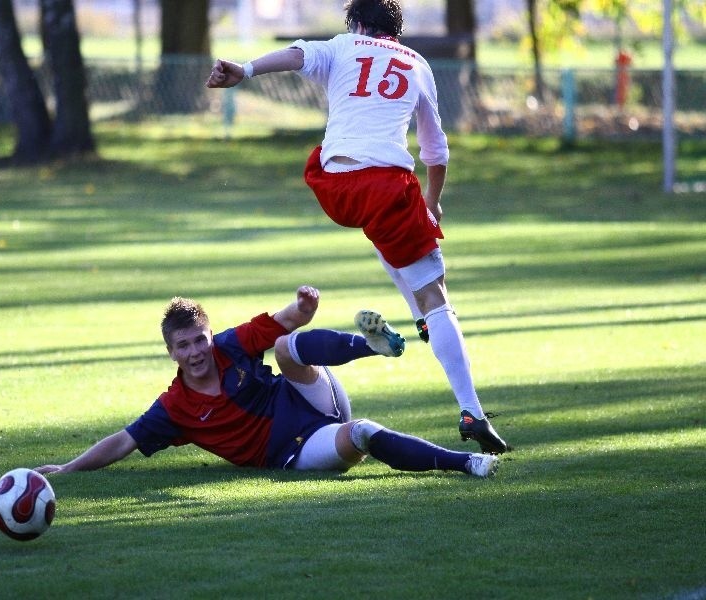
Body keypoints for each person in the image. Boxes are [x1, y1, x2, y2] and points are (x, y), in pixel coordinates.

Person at [204, 0, 509, 453]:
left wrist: (244, 70)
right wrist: (432, 203)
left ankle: (424, 322)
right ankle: (472, 413)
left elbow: (296, 55)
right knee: (435, 292)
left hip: (333, 185)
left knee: (386, 229)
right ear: (395, 32)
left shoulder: (343, 46)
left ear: (359, 24)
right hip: (386, 184)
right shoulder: (417, 64)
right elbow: (436, 152)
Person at [35, 286, 498, 478]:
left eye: (200, 340)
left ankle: (368, 346)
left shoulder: (231, 346)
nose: (195, 352)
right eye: (184, 346)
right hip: (298, 449)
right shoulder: (174, 407)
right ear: (171, 352)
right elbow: (124, 441)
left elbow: (282, 320)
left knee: (283, 346)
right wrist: (68, 469)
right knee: (363, 433)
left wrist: (304, 308)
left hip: (309, 394)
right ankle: (467, 464)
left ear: (209, 335)